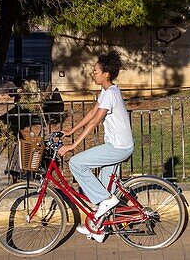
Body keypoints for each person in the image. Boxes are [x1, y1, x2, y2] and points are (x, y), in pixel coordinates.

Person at [57, 52, 134, 244]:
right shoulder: (108, 91)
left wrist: (73, 145)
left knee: (76, 163)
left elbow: (95, 122)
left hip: (118, 148)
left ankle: (106, 206)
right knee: (103, 189)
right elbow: (92, 113)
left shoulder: (111, 94)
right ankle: (99, 229)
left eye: (96, 71)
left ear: (106, 74)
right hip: (117, 145)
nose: (93, 74)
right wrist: (71, 131)